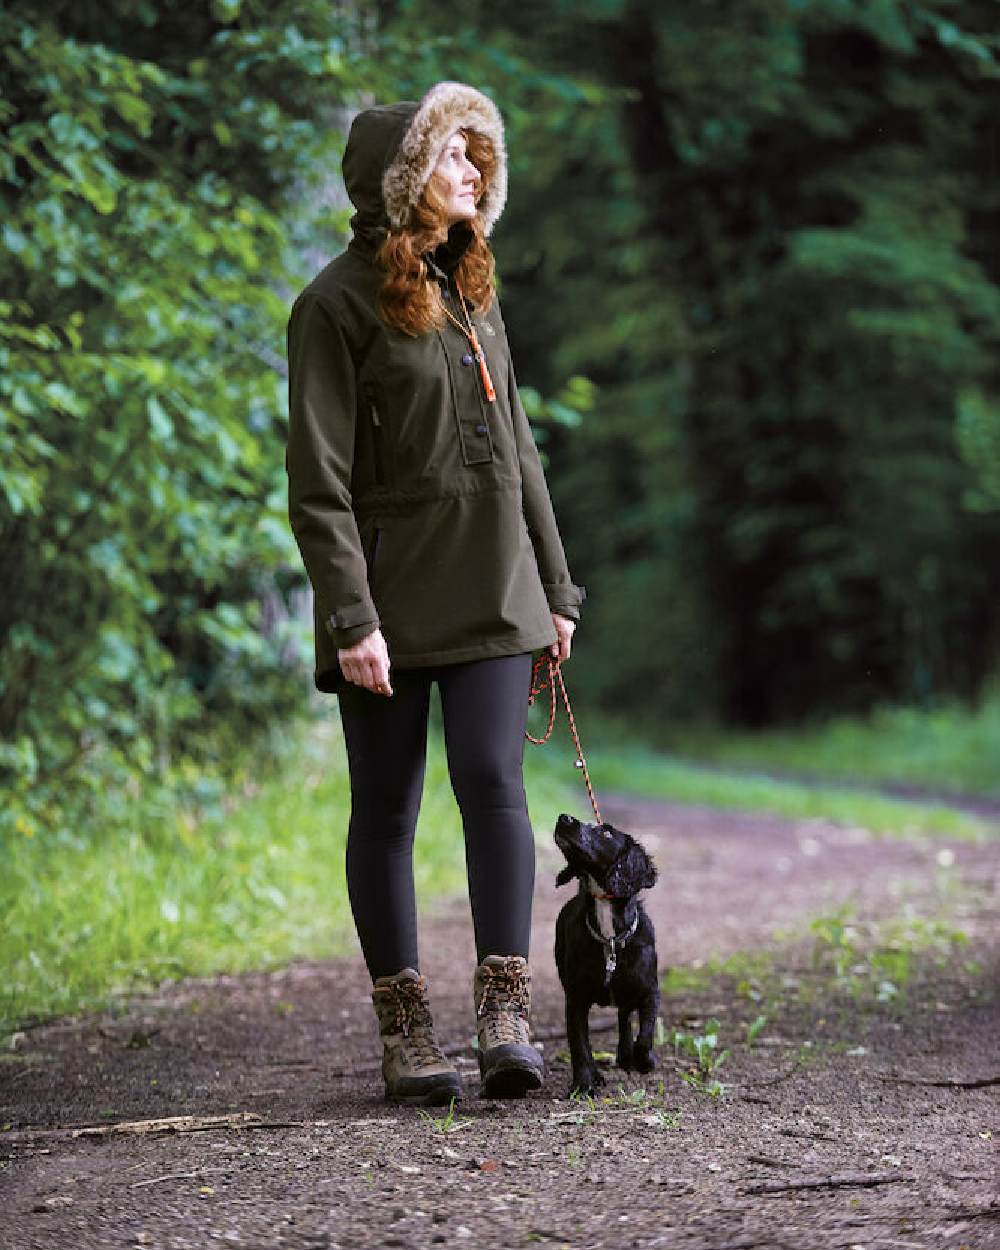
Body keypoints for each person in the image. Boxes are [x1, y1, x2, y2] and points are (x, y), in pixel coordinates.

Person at [285, 81, 585, 1104]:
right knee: (386, 809)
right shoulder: (332, 306)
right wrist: (350, 615)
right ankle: (406, 1031)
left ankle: (505, 1016)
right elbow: (317, 483)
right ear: (401, 177)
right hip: (385, 603)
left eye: (473, 153)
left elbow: (520, 450)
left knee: (495, 783)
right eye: (451, 155)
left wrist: (556, 586)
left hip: (496, 585)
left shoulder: (473, 289)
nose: (473, 170)